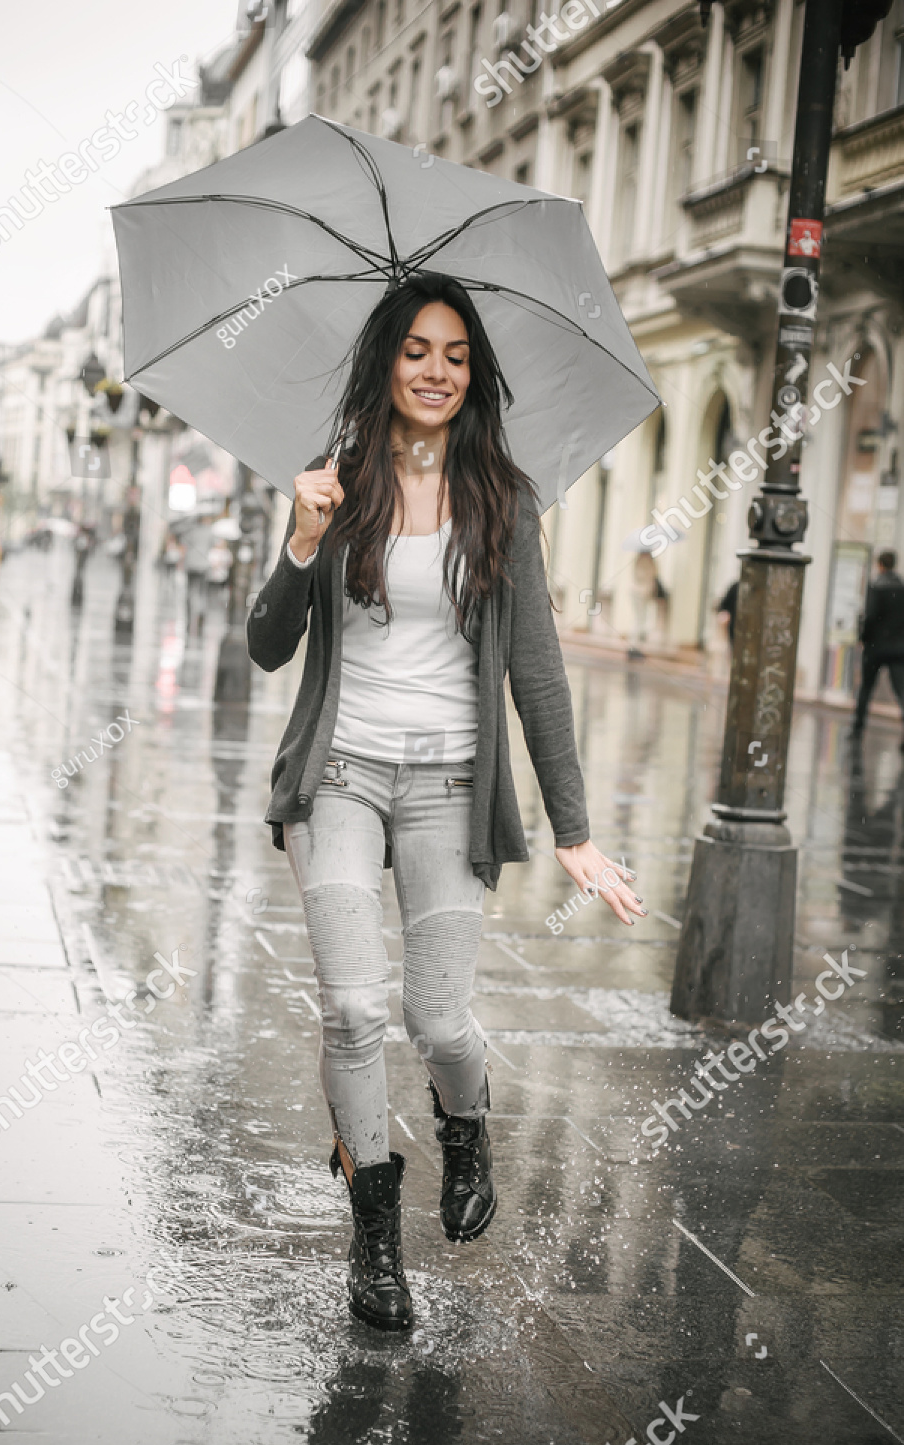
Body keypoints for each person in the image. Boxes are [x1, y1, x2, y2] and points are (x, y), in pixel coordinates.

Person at [247, 273, 645, 1334]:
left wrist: (575, 831)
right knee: (352, 1008)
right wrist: (297, 539)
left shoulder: (503, 500)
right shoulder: (334, 485)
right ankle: (374, 1243)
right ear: (385, 361)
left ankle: (464, 1126)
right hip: (335, 778)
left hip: (447, 787)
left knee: (436, 1019)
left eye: (455, 355)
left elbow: (537, 670)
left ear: (474, 375)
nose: (434, 370)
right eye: (417, 349)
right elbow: (266, 644)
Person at [852, 549, 904, 743]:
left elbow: (870, 617)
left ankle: (858, 729)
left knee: (866, 688)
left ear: (880, 565)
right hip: (899, 649)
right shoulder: (902, 588)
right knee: (901, 692)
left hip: (876, 647)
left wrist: (863, 638)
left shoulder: (876, 587)